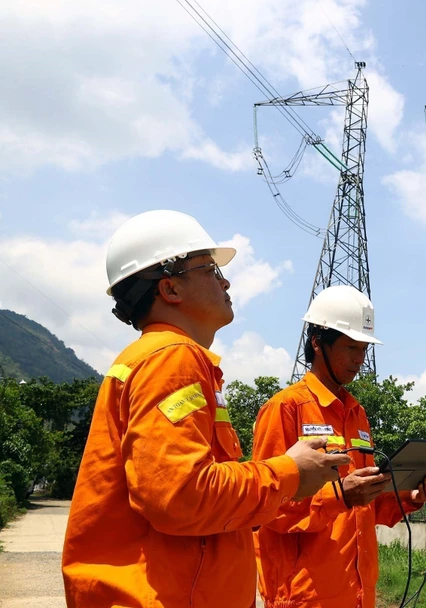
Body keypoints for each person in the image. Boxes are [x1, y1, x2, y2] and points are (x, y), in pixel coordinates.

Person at [61, 210, 351, 608]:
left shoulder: (161, 359)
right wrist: (287, 471)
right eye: (210, 269)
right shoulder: (171, 360)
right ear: (170, 289)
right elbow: (181, 496)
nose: (225, 280)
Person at [253, 285, 426, 608]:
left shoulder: (357, 414)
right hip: (305, 597)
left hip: (358, 594)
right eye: (351, 348)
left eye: (365, 349)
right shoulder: (286, 409)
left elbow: (365, 508)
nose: (359, 360)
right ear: (317, 342)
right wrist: (339, 496)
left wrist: (409, 498)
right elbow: (264, 508)